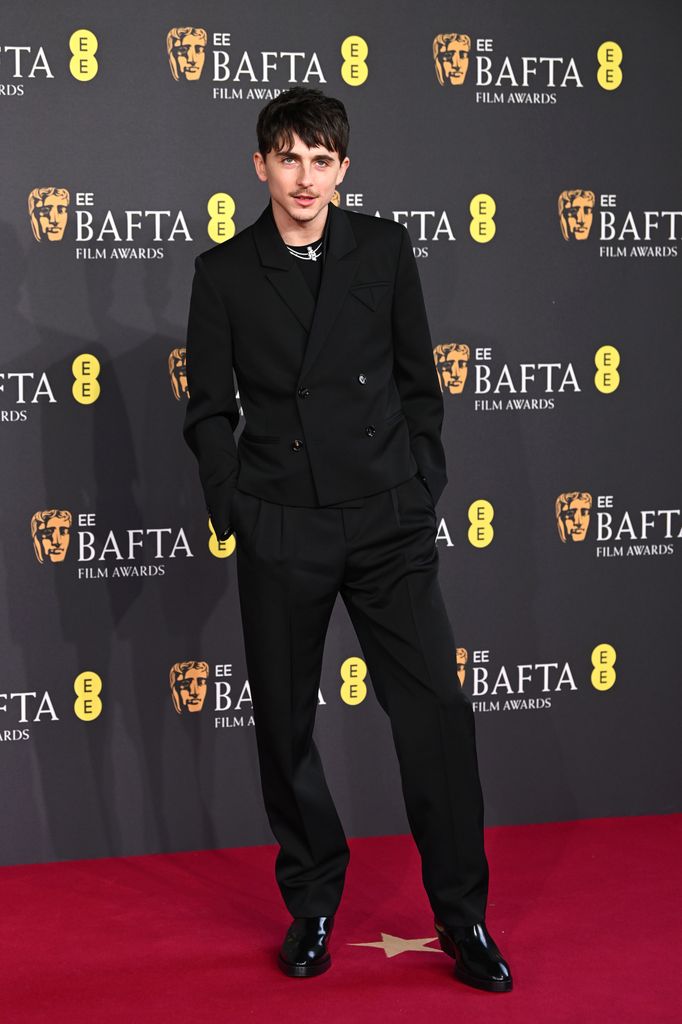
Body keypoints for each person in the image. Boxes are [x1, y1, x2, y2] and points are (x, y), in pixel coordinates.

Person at [182, 86, 512, 994]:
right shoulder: (225, 273)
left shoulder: (385, 248)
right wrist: (240, 511)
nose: (304, 177)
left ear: (343, 168)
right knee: (286, 725)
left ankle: (463, 914)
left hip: (385, 520)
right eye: (288, 157)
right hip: (281, 521)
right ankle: (314, 903)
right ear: (260, 165)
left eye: (321, 160)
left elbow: (419, 384)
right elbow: (209, 414)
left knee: (437, 714)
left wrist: (420, 487)